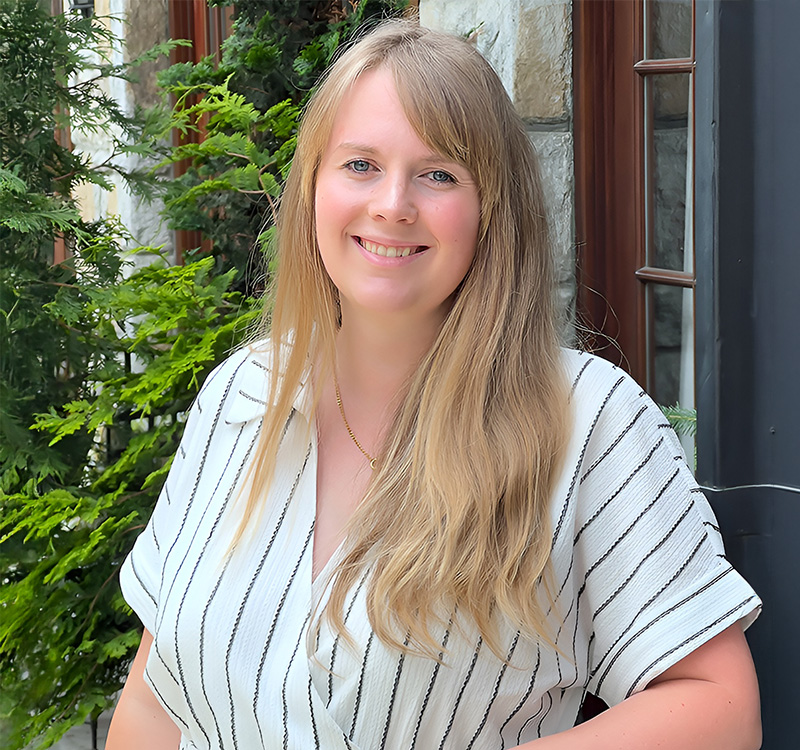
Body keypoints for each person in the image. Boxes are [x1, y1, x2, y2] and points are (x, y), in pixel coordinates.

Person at [106, 19, 761, 750]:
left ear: (493, 210)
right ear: (312, 186)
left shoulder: (588, 422)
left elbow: (719, 707)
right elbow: (153, 703)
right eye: (359, 164)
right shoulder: (240, 395)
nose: (392, 203)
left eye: (439, 173)